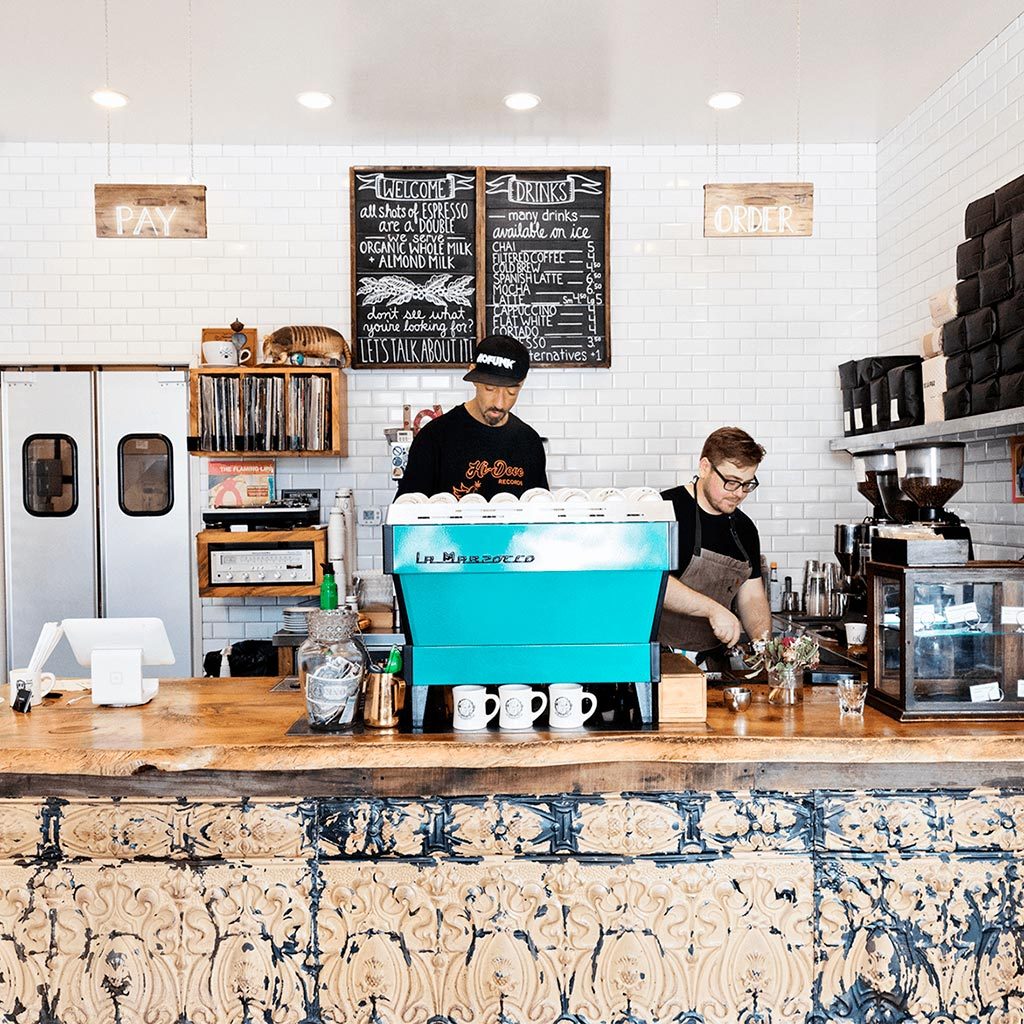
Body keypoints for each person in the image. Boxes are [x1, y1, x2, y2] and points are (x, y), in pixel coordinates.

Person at [658, 427, 772, 657]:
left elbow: (752, 596)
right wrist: (712, 610)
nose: (739, 493)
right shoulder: (663, 510)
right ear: (705, 467)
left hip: (713, 661)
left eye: (748, 484)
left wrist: (764, 646)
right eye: (731, 482)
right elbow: (651, 583)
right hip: (660, 658)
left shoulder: (745, 529)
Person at [396, 334, 548, 499]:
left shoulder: (529, 442)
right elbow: (407, 512)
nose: (499, 403)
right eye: (490, 388)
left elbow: (540, 514)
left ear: (522, 383)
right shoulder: (434, 438)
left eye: (511, 392)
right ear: (473, 374)